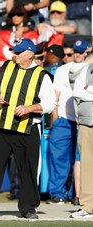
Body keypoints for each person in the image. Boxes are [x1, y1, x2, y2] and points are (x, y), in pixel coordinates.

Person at [0, 38, 56, 219]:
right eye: (14, 51)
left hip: (28, 128)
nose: (14, 55)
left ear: (30, 54)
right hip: (2, 125)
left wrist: (28, 108)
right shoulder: (6, 67)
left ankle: (28, 207)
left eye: (18, 52)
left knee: (28, 169)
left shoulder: (41, 75)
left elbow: (50, 104)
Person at [47, 39, 90, 205]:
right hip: (64, 119)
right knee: (58, 158)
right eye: (74, 52)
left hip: (83, 121)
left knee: (81, 159)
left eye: (80, 52)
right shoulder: (62, 70)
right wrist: (56, 119)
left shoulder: (90, 69)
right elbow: (55, 95)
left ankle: (77, 194)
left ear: (87, 52)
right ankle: (57, 193)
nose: (77, 55)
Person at [71, 50, 93, 218]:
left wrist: (89, 92)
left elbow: (84, 92)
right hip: (87, 123)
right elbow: (77, 92)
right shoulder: (86, 70)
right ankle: (88, 206)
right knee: (87, 166)